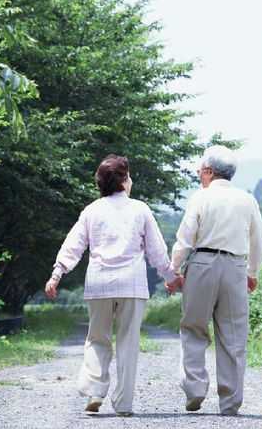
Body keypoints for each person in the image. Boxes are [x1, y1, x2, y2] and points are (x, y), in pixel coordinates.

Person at [45, 154, 181, 417]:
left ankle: (96, 392)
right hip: (131, 284)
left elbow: (73, 244)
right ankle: (124, 404)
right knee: (128, 342)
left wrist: (57, 273)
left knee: (97, 338)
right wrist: (170, 277)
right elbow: (156, 251)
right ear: (124, 180)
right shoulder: (140, 209)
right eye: (128, 176)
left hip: (99, 283)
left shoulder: (92, 210)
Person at [167, 145, 262, 415]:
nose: (199, 174)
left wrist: (174, 270)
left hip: (202, 265)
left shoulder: (201, 197)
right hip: (235, 267)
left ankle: (195, 390)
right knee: (234, 336)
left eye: (200, 170)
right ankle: (230, 402)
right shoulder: (247, 200)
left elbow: (185, 238)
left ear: (209, 171)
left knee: (193, 328)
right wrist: (252, 273)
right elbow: (258, 241)